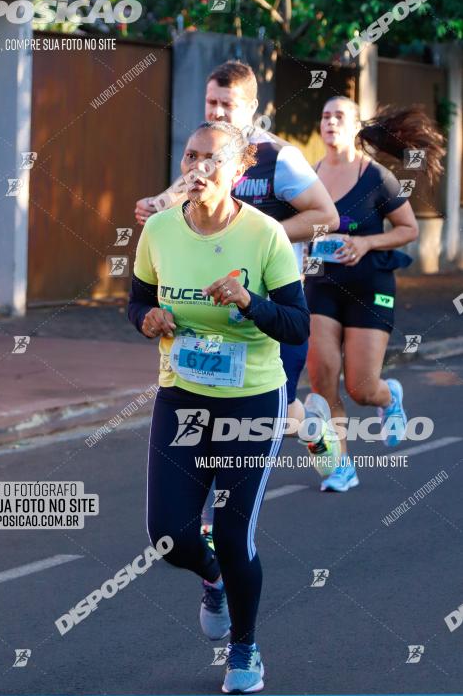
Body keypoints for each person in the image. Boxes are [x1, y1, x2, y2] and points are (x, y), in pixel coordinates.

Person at [128, 120, 309, 693]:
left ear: (238, 171)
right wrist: (147, 320)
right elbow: (135, 301)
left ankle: (245, 650)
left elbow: (298, 326)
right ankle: (213, 580)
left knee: (233, 535)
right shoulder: (158, 231)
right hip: (181, 396)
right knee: (168, 534)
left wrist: (250, 301)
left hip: (251, 401)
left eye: (211, 159)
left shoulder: (265, 236)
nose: (198, 168)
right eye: (190, 156)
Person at [135, 60, 338, 435]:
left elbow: (328, 217)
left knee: (271, 412)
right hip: (205, 308)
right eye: (212, 102)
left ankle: (318, 433)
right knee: (224, 415)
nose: (217, 112)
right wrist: (154, 206)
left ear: (251, 108)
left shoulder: (279, 157)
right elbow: (174, 204)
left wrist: (257, 235)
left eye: (227, 105)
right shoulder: (204, 155)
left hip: (268, 302)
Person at [304, 98, 445, 492]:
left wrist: (366, 245)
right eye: (325, 115)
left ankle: (389, 397)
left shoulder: (377, 177)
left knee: (360, 387)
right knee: (323, 380)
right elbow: (298, 226)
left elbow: (408, 230)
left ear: (354, 128)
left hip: (370, 287)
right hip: (321, 285)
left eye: (339, 117)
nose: (330, 121)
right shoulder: (308, 177)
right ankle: (341, 466)